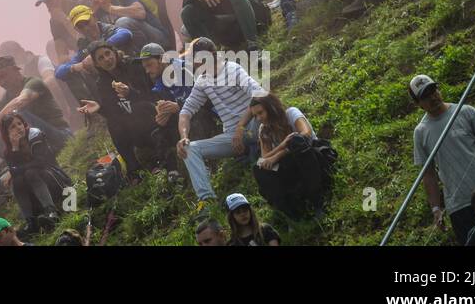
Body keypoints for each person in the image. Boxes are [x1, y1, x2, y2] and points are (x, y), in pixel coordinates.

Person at [409, 74, 475, 244]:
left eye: (433, 90)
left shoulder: (465, 111)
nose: (433, 97)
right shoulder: (421, 132)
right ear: (418, 104)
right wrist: (436, 208)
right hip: (460, 205)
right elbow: (429, 174)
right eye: (425, 96)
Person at [177, 37, 266, 210]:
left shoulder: (233, 69)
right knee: (189, 148)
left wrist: (241, 126)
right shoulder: (202, 82)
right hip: (232, 137)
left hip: (254, 126)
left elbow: (258, 94)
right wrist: (184, 137)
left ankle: (258, 150)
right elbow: (185, 113)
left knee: (267, 119)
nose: (197, 65)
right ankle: (206, 200)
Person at [77, 40, 162, 178]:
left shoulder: (134, 66)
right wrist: (99, 108)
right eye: (101, 58)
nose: (107, 59)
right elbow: (114, 113)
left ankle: (157, 159)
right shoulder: (102, 83)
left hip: (152, 113)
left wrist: (130, 93)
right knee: (114, 123)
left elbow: (151, 95)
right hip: (133, 125)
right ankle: (133, 168)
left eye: (108, 53)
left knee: (139, 108)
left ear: (114, 53)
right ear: (97, 64)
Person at [249, 92, 331, 218]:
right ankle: (291, 211)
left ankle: (317, 201)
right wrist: (282, 145)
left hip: (311, 156)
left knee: (296, 141)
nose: (259, 118)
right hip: (289, 165)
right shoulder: (263, 129)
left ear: (271, 108)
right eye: (255, 116)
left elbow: (306, 134)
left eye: (261, 113)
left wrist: (278, 155)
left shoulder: (291, 113)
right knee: (258, 167)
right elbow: (264, 158)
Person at [0, 56, 71, 159]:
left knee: (19, 114)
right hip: (34, 144)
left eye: (4, 75)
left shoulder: (34, 83)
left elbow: (19, 102)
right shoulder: (6, 97)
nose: (2, 82)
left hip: (60, 137)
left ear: (15, 69)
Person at [0, 111, 71, 232]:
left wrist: (13, 171)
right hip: (34, 190)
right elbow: (15, 171)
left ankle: (52, 212)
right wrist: (15, 148)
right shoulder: (9, 150)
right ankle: (30, 221)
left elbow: (41, 162)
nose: (18, 128)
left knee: (30, 172)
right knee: (16, 181)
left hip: (54, 178)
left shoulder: (35, 135)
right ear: (7, 133)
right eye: (12, 127)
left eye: (19, 123)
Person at [82, 0, 172, 49]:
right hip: (129, 46)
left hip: (157, 39)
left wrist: (109, 7)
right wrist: (92, 13)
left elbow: (140, 13)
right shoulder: (95, 12)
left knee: (123, 22)